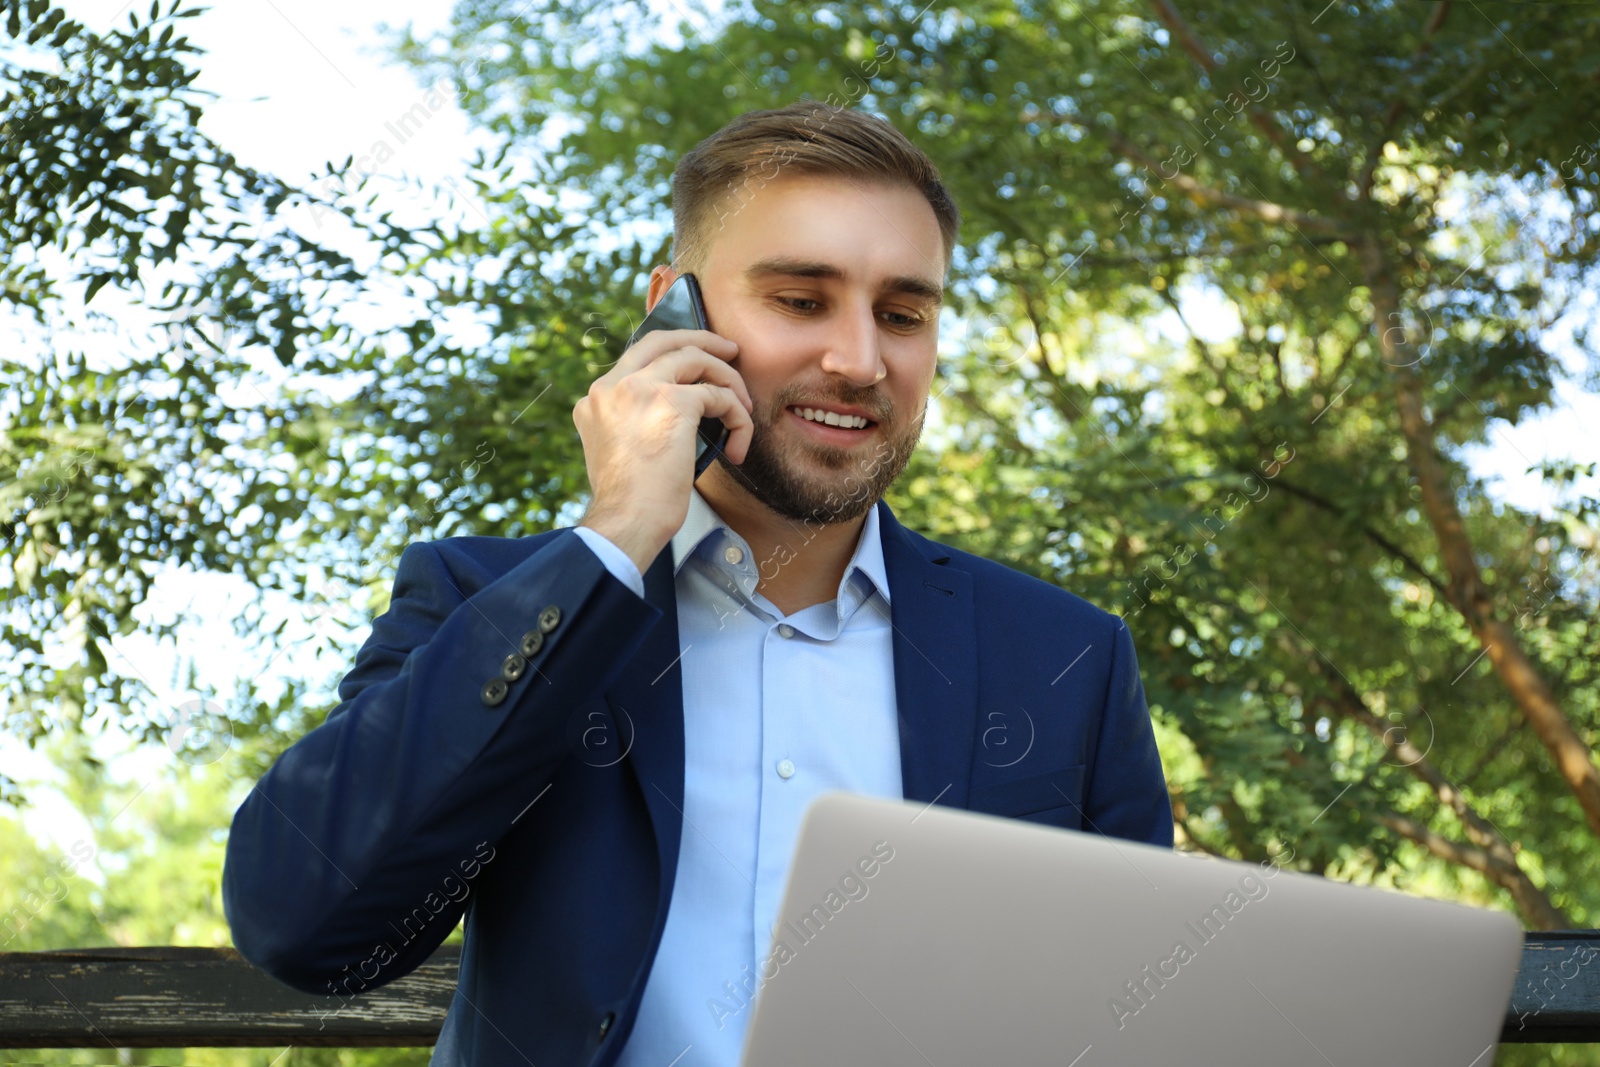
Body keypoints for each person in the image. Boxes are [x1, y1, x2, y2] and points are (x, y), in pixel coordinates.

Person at [223, 100, 1172, 1067]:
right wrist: (618, 534)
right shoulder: (489, 598)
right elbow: (303, 923)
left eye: (903, 315)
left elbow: (1142, 1020)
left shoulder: (1066, 661)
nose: (858, 360)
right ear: (676, 309)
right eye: (800, 301)